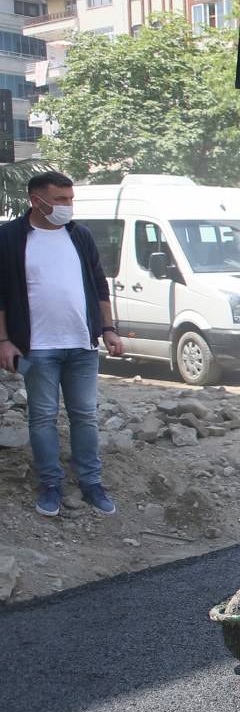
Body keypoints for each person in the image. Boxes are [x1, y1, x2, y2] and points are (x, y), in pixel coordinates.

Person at [0, 171, 124, 517]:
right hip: (36, 346)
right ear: (36, 200)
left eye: (70, 200)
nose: (67, 207)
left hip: (81, 344)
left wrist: (109, 329)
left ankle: (91, 483)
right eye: (60, 200)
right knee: (42, 417)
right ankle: (51, 484)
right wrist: (4, 341)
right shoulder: (9, 238)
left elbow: (99, 285)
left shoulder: (79, 235)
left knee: (85, 415)